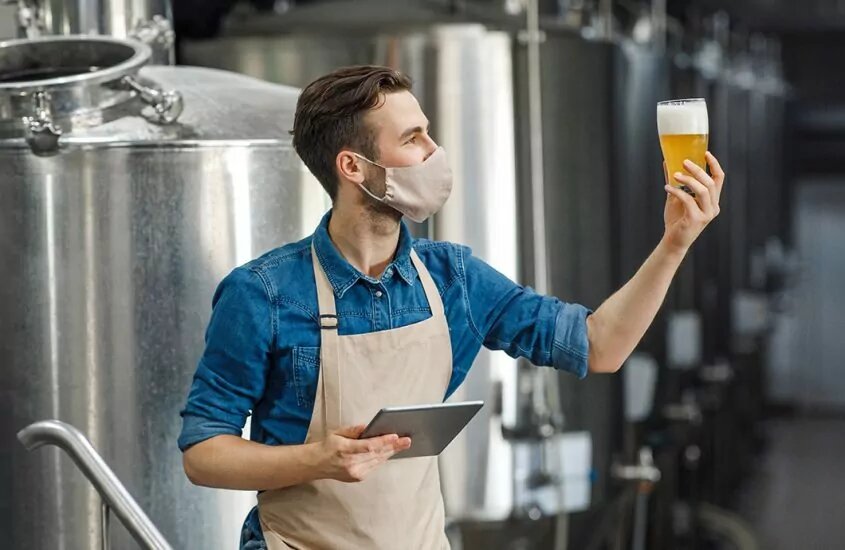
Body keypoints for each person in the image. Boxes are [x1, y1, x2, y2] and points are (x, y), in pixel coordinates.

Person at [177, 65, 725, 549]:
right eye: (414, 139)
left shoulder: (453, 279)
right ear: (353, 166)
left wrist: (674, 242)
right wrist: (316, 459)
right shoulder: (263, 292)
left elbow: (599, 345)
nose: (433, 153)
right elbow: (203, 453)